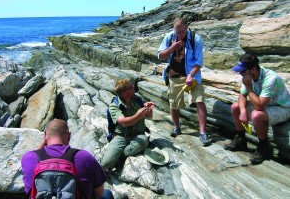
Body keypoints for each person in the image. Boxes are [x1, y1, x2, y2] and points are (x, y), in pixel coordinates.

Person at [21, 119, 114, 199]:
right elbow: (99, 193)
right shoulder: (85, 157)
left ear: (45, 136)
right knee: (107, 194)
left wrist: (45, 139)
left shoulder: (28, 158)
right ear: (69, 136)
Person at [224, 53, 290, 164]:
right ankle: (240, 139)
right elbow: (242, 95)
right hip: (264, 105)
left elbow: (259, 106)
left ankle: (264, 147)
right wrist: (243, 111)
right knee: (236, 107)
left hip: (282, 108)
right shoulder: (248, 76)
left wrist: (249, 86)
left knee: (256, 114)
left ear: (253, 69)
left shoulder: (270, 79)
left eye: (243, 71)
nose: (240, 74)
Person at [157, 17, 211, 146]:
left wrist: (190, 75)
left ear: (187, 28)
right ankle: (177, 127)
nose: (180, 35)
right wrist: (172, 48)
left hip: (192, 75)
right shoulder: (169, 37)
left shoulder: (195, 38)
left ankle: (203, 132)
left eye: (182, 32)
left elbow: (199, 62)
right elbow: (159, 56)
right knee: (174, 103)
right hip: (174, 75)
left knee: (199, 101)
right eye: (177, 32)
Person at [100, 79, 154, 171]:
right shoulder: (114, 106)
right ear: (124, 93)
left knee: (144, 140)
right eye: (131, 86)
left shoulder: (137, 99)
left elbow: (149, 117)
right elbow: (123, 122)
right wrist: (138, 116)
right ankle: (114, 157)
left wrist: (148, 109)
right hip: (122, 136)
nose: (133, 86)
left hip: (138, 135)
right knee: (104, 164)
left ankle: (119, 156)